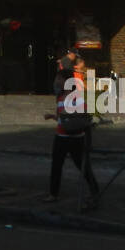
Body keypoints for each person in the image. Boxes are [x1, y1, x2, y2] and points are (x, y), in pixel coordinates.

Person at [44, 49, 99, 209]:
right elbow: (63, 117)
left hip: (74, 138)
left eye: (59, 79)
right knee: (57, 165)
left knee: (82, 166)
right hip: (62, 136)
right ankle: (53, 193)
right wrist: (52, 117)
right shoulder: (61, 98)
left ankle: (94, 190)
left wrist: (88, 142)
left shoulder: (76, 98)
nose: (56, 81)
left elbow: (83, 119)